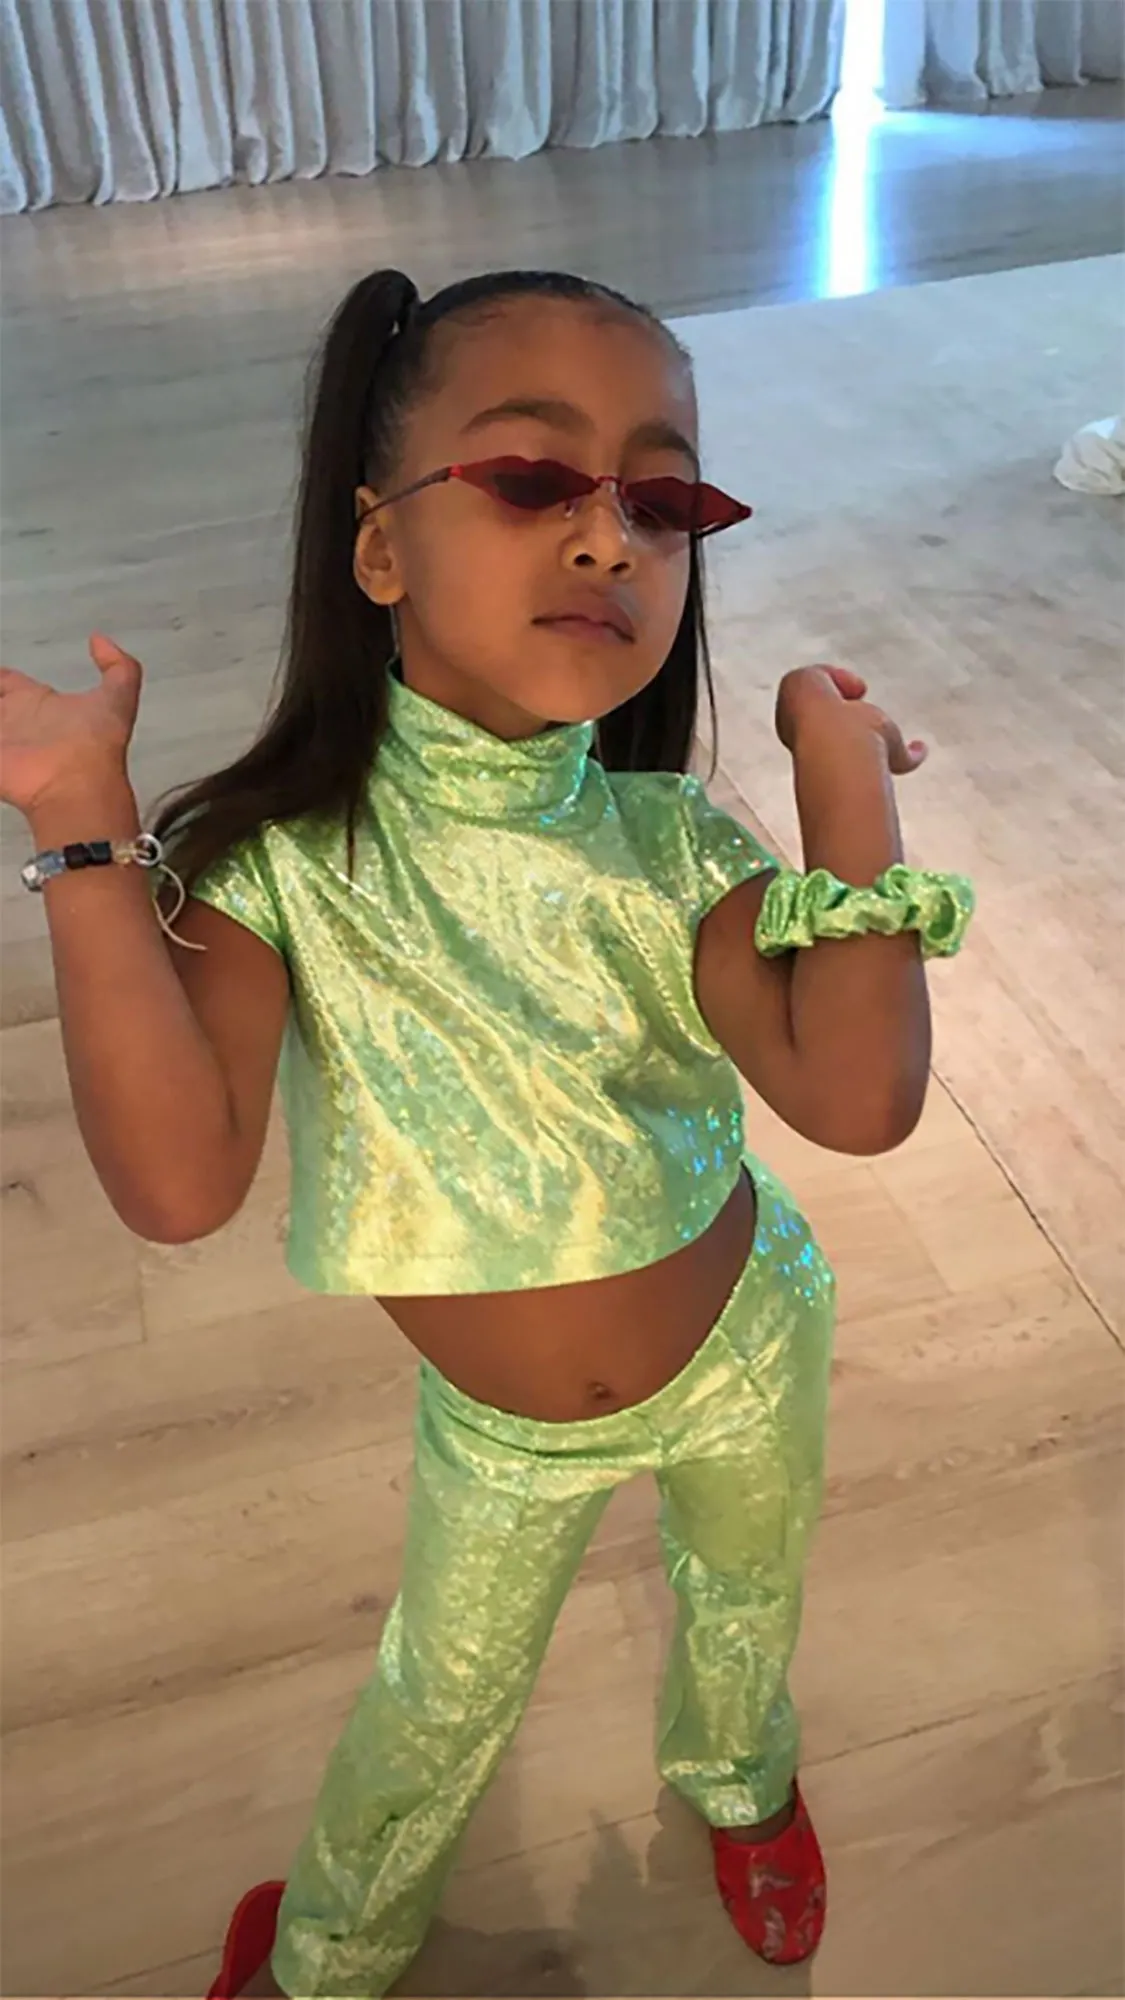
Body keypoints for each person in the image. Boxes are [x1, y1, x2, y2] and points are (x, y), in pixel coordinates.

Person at [0, 268, 973, 2000]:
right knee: (438, 1700)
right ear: (378, 547)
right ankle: (333, 1946)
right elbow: (175, 1182)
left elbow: (860, 1097)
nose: (610, 537)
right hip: (504, 1435)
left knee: (748, 1598)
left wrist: (840, 774)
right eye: (533, 479)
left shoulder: (675, 845)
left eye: (664, 503)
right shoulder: (284, 870)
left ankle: (741, 1779)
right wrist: (85, 831)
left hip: (751, 1340)